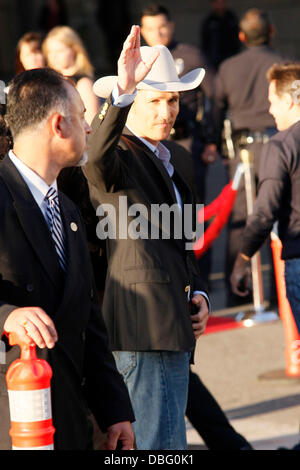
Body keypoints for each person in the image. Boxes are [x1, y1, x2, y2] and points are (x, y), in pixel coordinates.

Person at [84, 25, 210, 450]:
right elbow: (94, 159)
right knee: (155, 447)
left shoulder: (179, 158)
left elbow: (186, 242)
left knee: (168, 445)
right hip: (139, 330)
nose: (166, 111)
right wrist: (122, 89)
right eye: (154, 100)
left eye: (172, 100)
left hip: (176, 328)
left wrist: (203, 296)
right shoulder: (116, 153)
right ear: (130, 105)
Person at [0, 67, 134, 450]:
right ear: (59, 125)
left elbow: (87, 322)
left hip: (69, 422)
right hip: (13, 422)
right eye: (82, 117)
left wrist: (114, 412)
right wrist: (7, 314)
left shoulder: (70, 211)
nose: (88, 128)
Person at [212, 8, 284, 306]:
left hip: (242, 152)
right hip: (277, 146)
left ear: (241, 36)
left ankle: (238, 294)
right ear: (271, 31)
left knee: (241, 219)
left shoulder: (228, 67)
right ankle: (282, 296)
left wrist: (215, 141)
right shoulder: (282, 64)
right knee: (279, 216)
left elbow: (217, 107)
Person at [230, 62, 300, 336]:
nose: (270, 110)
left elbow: (263, 213)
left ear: (291, 100)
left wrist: (243, 258)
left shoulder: (281, 145)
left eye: (273, 102)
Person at [140, 3, 218, 204]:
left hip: (186, 141)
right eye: (149, 28)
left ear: (171, 26)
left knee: (192, 206)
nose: (156, 33)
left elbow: (215, 97)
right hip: (147, 142)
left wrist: (212, 140)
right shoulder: (136, 60)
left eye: (162, 27)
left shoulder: (191, 55)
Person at [42, 25, 99, 124]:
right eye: (50, 52)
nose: (54, 56)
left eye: (59, 51)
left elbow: (92, 123)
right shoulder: (52, 81)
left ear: (74, 50)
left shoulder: (83, 83)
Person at [200, 0, 240, 71]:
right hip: (214, 61)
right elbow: (205, 42)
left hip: (231, 57)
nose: (220, 5)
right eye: (218, 2)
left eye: (222, 2)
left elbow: (237, 39)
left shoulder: (231, 17)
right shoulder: (209, 20)